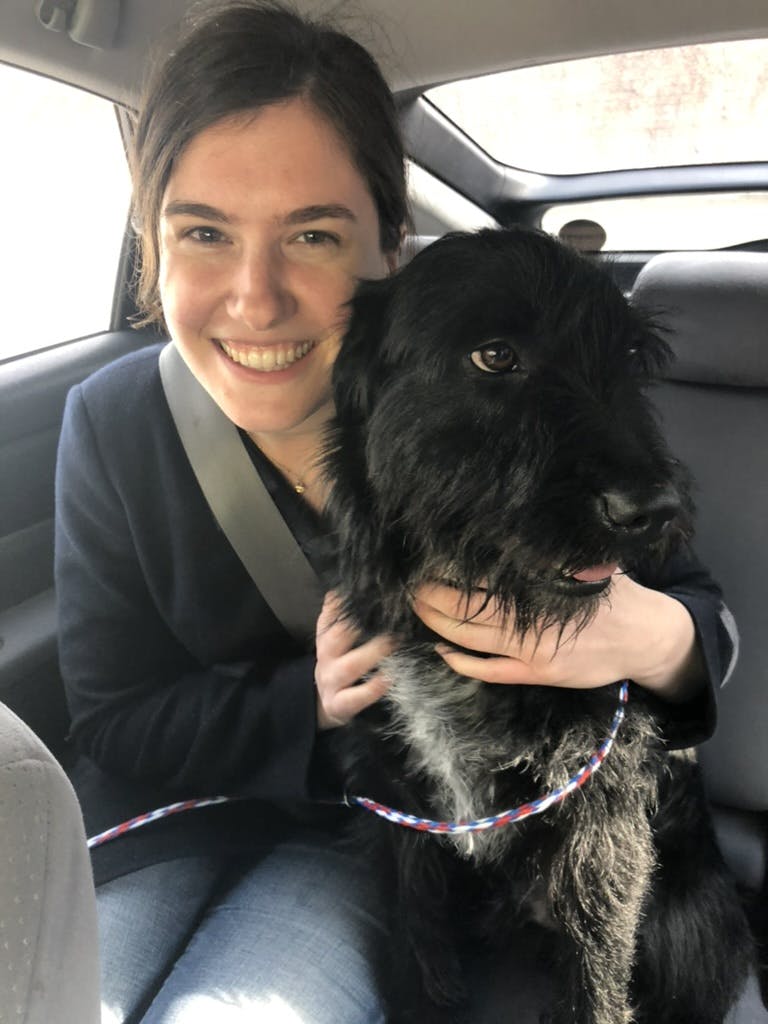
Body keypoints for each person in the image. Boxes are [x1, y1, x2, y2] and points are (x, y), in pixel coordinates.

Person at [54, 2, 745, 1022]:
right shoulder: (114, 426)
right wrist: (315, 699)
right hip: (209, 823)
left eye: (314, 234)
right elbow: (112, 719)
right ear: (150, 246)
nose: (256, 296)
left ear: (391, 249)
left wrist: (649, 634)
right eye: (202, 231)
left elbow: (690, 610)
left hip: (410, 851)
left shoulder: (503, 399)